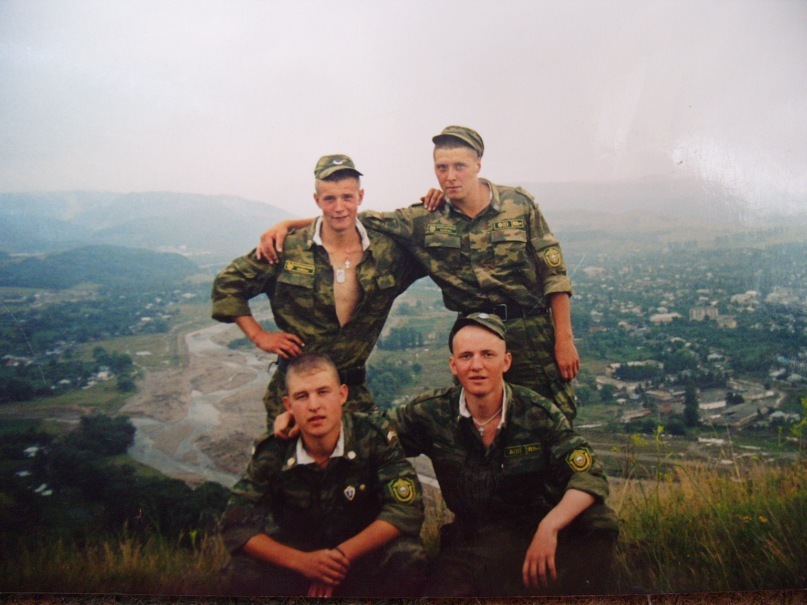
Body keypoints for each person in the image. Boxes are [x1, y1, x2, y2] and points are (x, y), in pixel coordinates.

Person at [275, 313, 619, 596]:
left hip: (535, 527)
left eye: (488, 355)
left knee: (599, 523)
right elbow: (370, 431)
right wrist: (304, 418)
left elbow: (588, 473)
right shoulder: (431, 412)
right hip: (474, 538)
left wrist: (550, 526)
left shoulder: (536, 412)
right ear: (453, 365)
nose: (477, 366)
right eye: (466, 357)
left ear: (506, 361)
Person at [258, 126, 579, 422]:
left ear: (478, 165)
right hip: (472, 335)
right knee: (477, 423)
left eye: (459, 166)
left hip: (530, 331)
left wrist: (564, 340)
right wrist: (289, 225)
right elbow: (350, 217)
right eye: (442, 168)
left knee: (553, 419)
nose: (450, 176)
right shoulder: (424, 218)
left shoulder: (518, 204)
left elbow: (554, 274)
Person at [211, 154, 425, 422]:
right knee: (287, 450)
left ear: (360, 197)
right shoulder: (287, 248)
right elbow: (227, 283)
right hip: (296, 393)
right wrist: (259, 336)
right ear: (317, 201)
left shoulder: (386, 252)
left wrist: (438, 199)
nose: (339, 207)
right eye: (329, 199)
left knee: (364, 449)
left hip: (350, 394)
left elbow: (435, 236)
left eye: (347, 197)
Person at [220, 352, 429, 597]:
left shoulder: (373, 436)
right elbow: (235, 524)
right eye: (302, 396)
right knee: (239, 572)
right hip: (298, 563)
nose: (314, 405)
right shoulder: (273, 451)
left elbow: (406, 508)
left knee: (408, 558)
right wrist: (302, 562)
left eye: (323, 392)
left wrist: (341, 556)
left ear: (342, 394)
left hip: (361, 556)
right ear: (288, 405)